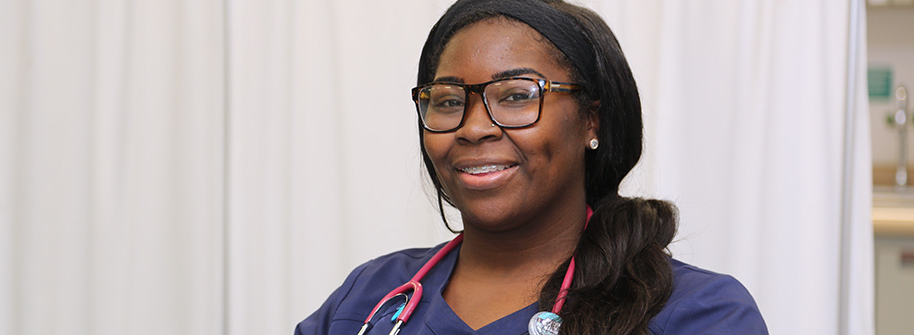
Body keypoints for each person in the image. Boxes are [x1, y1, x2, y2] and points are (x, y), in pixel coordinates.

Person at [295, 0, 769, 334]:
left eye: (518, 95)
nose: (474, 127)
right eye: (448, 100)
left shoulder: (695, 312)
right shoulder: (370, 296)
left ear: (592, 119)